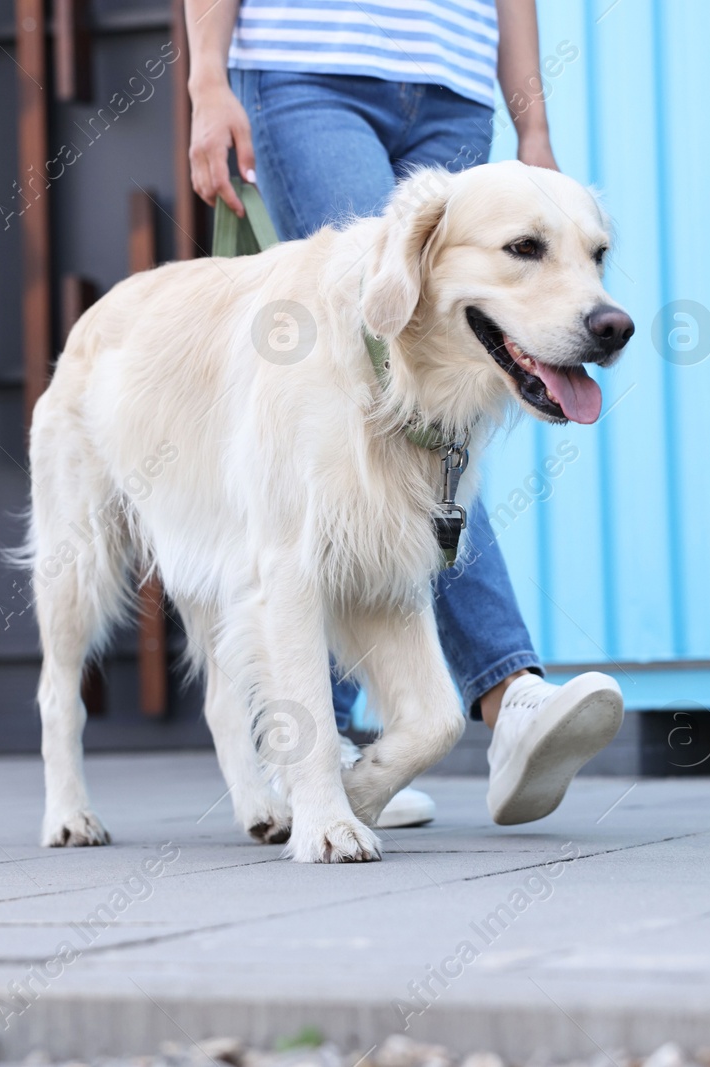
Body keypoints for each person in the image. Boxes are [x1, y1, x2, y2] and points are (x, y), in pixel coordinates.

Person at [184, 0, 623, 828]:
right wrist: (208, 78)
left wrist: (533, 131)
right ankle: (503, 692)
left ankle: (363, 734)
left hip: (454, 77)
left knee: (433, 385)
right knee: (373, 351)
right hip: (310, 65)